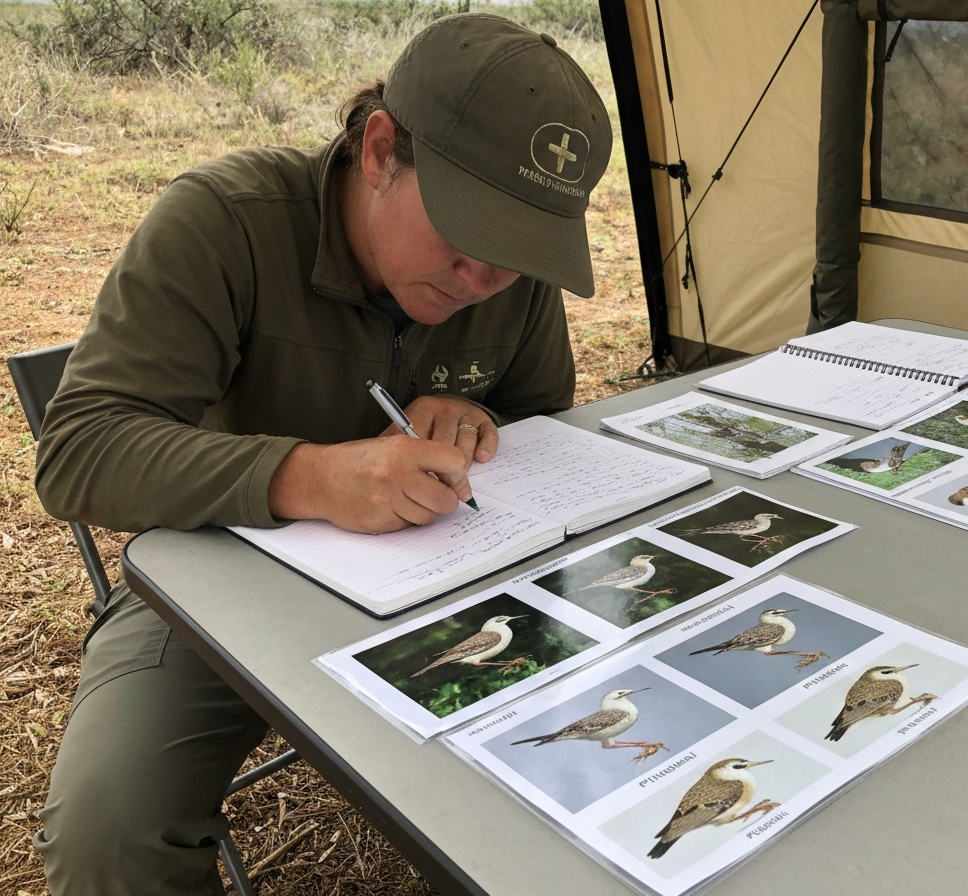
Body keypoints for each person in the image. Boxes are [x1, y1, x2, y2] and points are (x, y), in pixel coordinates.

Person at [31, 13, 611, 894]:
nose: (485, 280)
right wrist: (308, 476)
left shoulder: (505, 279)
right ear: (379, 151)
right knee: (109, 830)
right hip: (225, 575)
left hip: (460, 578)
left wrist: (476, 413)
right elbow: (80, 449)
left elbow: (542, 421)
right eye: (469, 233)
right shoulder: (225, 224)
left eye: (518, 249)